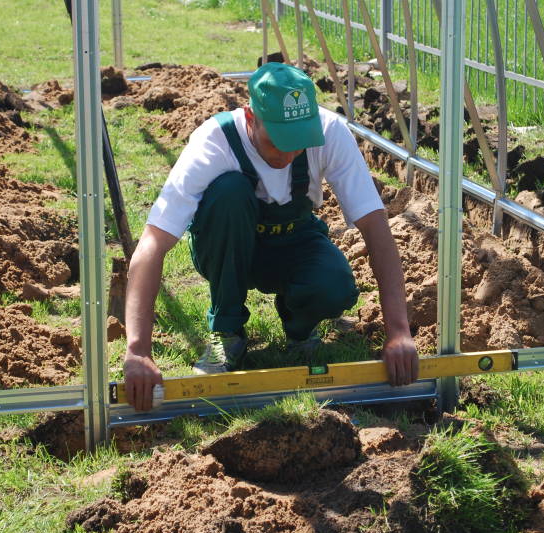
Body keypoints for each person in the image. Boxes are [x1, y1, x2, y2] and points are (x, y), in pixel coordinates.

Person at [123, 62, 418, 411]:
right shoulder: (215, 142)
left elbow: (376, 228)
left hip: (293, 240)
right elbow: (153, 242)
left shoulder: (330, 132)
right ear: (251, 118)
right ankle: (228, 330)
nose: (288, 154)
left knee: (334, 286)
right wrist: (138, 350)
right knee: (229, 191)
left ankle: (299, 329)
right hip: (227, 247)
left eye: (298, 143)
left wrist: (399, 331)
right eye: (277, 142)